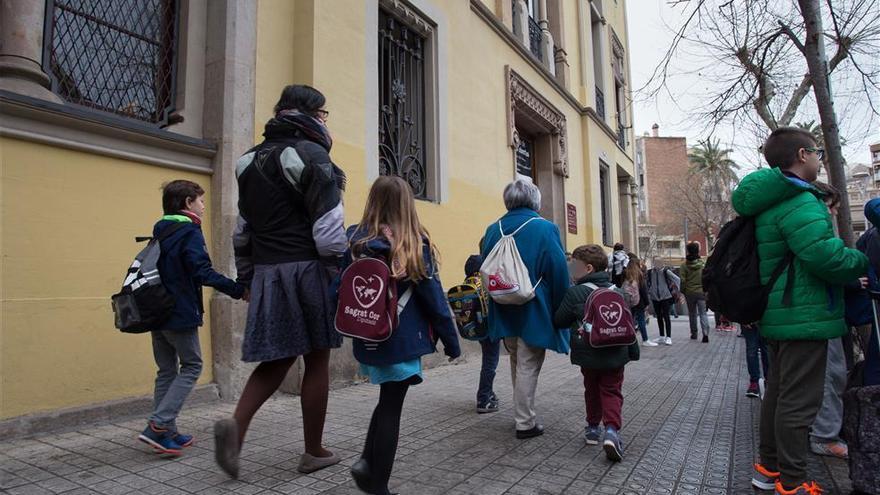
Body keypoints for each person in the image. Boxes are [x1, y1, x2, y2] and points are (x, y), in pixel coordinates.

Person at [215, 85, 348, 478]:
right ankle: (314, 451)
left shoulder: (247, 159)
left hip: (269, 273)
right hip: (308, 269)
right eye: (323, 115)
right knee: (318, 358)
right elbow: (327, 232)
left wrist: (248, 280)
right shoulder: (312, 154)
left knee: (278, 358)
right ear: (311, 116)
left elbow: (242, 231)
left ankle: (236, 430)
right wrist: (338, 268)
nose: (326, 123)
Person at [732, 126, 868, 494]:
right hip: (803, 315)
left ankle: (769, 468)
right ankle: (792, 481)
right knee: (798, 403)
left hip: (782, 314)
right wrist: (861, 260)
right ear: (803, 155)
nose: (822, 160)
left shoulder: (776, 201)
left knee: (777, 395)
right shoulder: (799, 202)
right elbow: (824, 256)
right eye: (818, 152)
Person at [345, 176, 461, 495]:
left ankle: (367, 463)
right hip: (401, 338)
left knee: (387, 400)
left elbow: (337, 290)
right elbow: (435, 301)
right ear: (408, 206)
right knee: (392, 407)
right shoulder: (412, 245)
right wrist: (452, 342)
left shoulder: (356, 242)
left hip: (368, 334)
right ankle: (378, 485)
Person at [138, 180, 247, 456]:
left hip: (156, 311)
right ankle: (159, 426)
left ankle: (167, 432)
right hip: (179, 312)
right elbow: (202, 271)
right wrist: (237, 289)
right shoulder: (188, 231)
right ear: (188, 203)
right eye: (200, 201)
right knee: (191, 366)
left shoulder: (162, 230)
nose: (202, 206)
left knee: (166, 371)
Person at [481, 179, 570, 439]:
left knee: (517, 360)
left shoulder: (492, 228)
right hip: (534, 306)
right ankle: (525, 422)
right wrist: (562, 307)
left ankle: (521, 413)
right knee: (528, 363)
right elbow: (557, 269)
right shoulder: (545, 228)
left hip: (503, 304)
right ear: (535, 200)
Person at [554, 245, 640, 462]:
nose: (571, 270)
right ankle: (612, 430)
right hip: (616, 353)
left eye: (574, 265)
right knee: (611, 391)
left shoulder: (575, 293)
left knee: (591, 389)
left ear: (588, 268)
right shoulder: (619, 292)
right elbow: (628, 322)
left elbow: (560, 320)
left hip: (588, 354)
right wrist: (632, 351)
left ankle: (593, 428)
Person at [808, 182, 849, 459]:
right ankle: (823, 436)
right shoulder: (812, 226)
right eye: (831, 206)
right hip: (817, 312)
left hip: (810, 313)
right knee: (828, 374)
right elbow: (828, 261)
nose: (834, 212)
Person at [464, 251, 501, 414]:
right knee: (490, 364)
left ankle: (489, 393)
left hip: (477, 328)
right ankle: (484, 398)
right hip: (490, 327)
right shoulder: (485, 282)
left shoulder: (468, 282)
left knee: (488, 361)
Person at [622, 253, 657, 346]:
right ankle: (645, 340)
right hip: (639, 301)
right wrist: (647, 302)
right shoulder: (639, 274)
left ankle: (629, 339)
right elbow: (643, 289)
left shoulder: (625, 273)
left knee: (629, 320)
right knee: (641, 320)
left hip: (628, 300)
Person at [680, 241, 711, 343]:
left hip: (690, 292)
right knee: (703, 313)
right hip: (701, 292)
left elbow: (683, 280)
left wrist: (683, 291)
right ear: (698, 250)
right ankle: (705, 333)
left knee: (692, 313)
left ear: (688, 251)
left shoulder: (684, 265)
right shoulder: (703, 263)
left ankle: (694, 333)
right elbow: (707, 277)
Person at [646, 260, 680, 345]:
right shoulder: (650, 272)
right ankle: (661, 336)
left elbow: (677, 279)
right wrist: (650, 291)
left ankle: (668, 337)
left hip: (665, 297)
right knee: (659, 317)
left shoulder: (666, 271)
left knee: (666, 316)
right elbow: (647, 283)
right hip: (655, 297)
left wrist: (677, 290)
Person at [741, 323, 769, 398]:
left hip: (767, 319)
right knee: (752, 351)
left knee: (767, 351)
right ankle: (755, 382)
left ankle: (769, 380)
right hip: (750, 320)